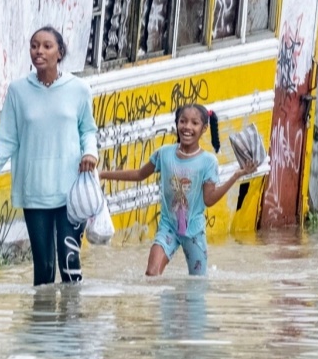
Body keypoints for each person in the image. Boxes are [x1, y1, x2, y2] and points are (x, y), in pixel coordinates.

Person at [0, 26, 99, 286]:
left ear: (59, 53)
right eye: (34, 45)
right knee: (43, 268)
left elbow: (88, 131)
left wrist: (90, 153)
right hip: (34, 190)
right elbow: (6, 141)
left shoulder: (79, 89)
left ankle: (72, 325)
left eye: (47, 46)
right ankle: (44, 324)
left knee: (70, 263)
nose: (39, 51)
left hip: (71, 192)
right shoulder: (18, 91)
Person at [98, 104, 258, 276]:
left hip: (194, 232)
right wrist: (101, 174)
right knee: (152, 274)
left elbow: (209, 200)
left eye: (194, 123)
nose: (187, 127)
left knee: (197, 286)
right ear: (177, 124)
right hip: (168, 228)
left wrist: (235, 176)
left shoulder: (208, 161)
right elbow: (139, 174)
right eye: (183, 121)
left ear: (204, 128)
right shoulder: (164, 154)